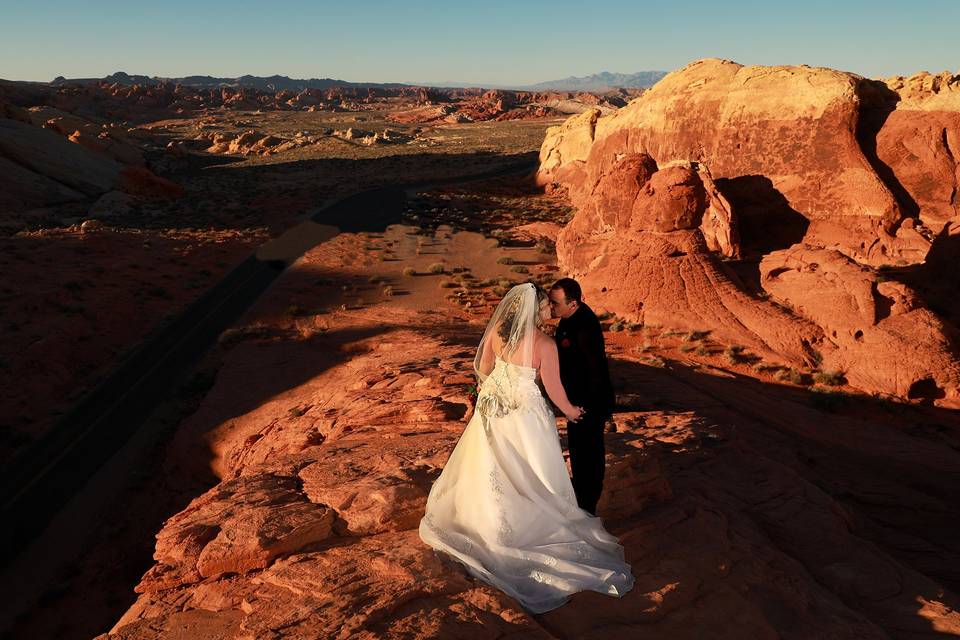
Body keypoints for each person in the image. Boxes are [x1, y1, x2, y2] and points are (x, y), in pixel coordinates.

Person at [418, 283, 633, 614]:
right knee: (529, 468)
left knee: (493, 465)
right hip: (526, 416)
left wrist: (492, 395)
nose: (549, 309)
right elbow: (554, 388)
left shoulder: (496, 336)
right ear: (534, 311)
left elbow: (484, 370)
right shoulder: (545, 344)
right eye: (545, 305)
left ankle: (486, 521)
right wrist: (573, 412)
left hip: (494, 412)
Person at [548, 278, 615, 515]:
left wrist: (588, 406)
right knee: (579, 452)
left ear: (573, 303)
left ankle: (588, 505)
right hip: (577, 401)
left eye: (555, 302)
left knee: (589, 455)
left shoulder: (584, 326)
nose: (551, 306)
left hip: (588, 402)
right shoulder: (568, 320)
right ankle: (582, 500)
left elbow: (595, 368)